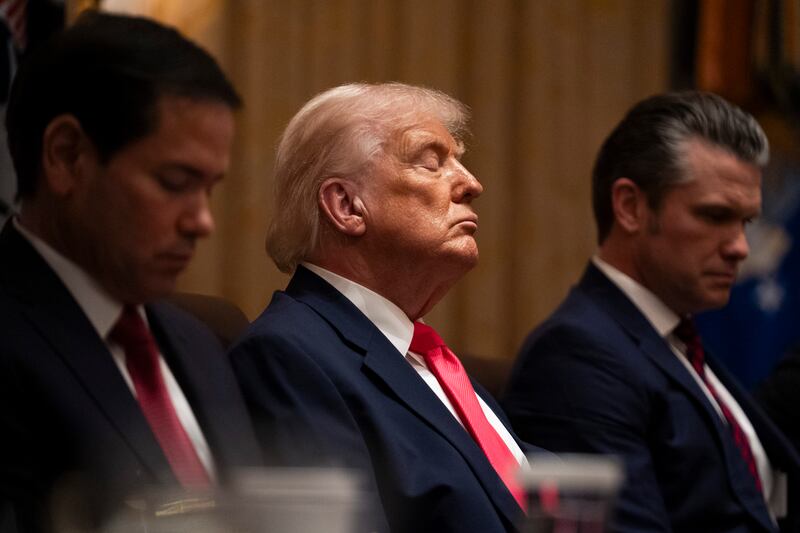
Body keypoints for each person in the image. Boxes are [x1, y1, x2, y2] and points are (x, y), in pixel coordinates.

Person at [229, 82, 544, 532]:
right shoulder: (287, 357)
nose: (473, 183)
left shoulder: (426, 357)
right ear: (346, 206)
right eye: (432, 163)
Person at [0, 11, 260, 532]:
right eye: (174, 181)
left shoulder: (204, 342)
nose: (202, 221)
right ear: (67, 156)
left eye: (208, 189)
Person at [502, 91, 800, 533]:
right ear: (630, 207)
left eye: (745, 222)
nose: (740, 247)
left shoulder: (679, 342)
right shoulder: (576, 357)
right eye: (715, 216)